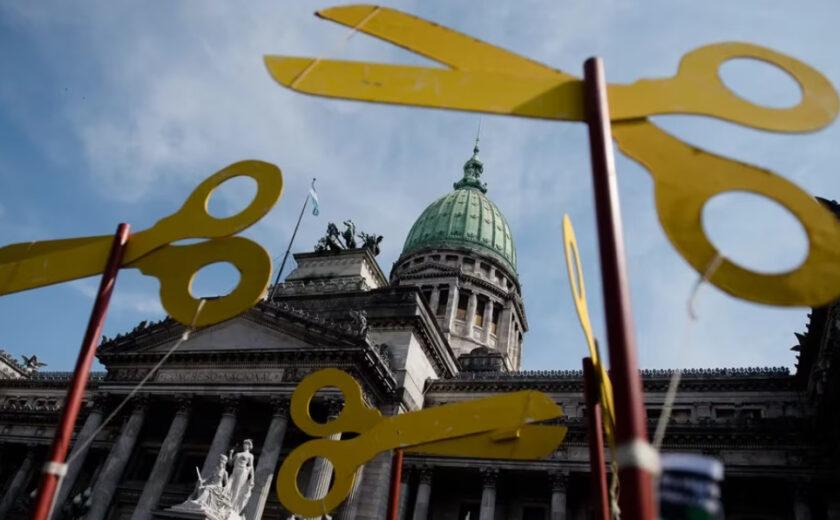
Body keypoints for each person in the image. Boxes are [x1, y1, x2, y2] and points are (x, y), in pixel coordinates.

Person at [227, 439, 255, 514]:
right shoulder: (238, 454)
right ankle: (226, 502)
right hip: (235, 471)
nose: (244, 445)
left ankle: (231, 507)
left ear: (249, 446)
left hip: (243, 472)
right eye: (244, 444)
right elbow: (230, 463)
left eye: (247, 444)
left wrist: (252, 477)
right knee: (228, 485)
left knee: (237, 488)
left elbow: (251, 466)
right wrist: (230, 453)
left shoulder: (250, 455)